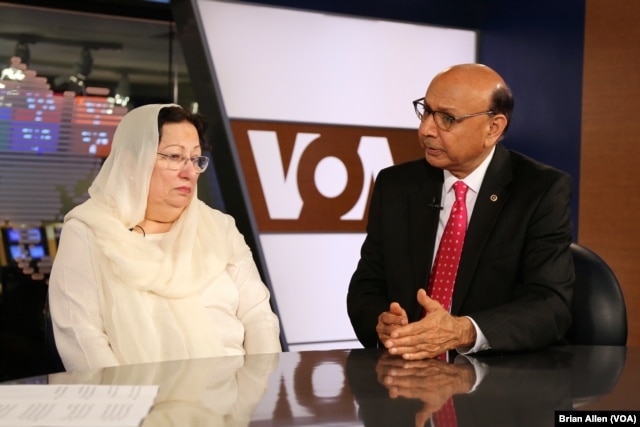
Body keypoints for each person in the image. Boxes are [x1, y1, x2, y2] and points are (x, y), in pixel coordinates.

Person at [346, 63, 574, 360]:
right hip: (408, 382)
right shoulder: (396, 187)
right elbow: (367, 284)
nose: (426, 129)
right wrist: (381, 323)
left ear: (493, 128)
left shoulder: (540, 190)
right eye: (426, 111)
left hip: (499, 386)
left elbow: (550, 304)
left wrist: (464, 331)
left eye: (447, 119)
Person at [49, 104, 281, 371]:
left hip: (237, 399)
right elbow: (80, 335)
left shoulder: (219, 228)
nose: (189, 172)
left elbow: (259, 316)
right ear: (131, 161)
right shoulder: (89, 231)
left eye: (196, 159)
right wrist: (128, 406)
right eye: (173, 156)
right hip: (139, 401)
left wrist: (257, 392)